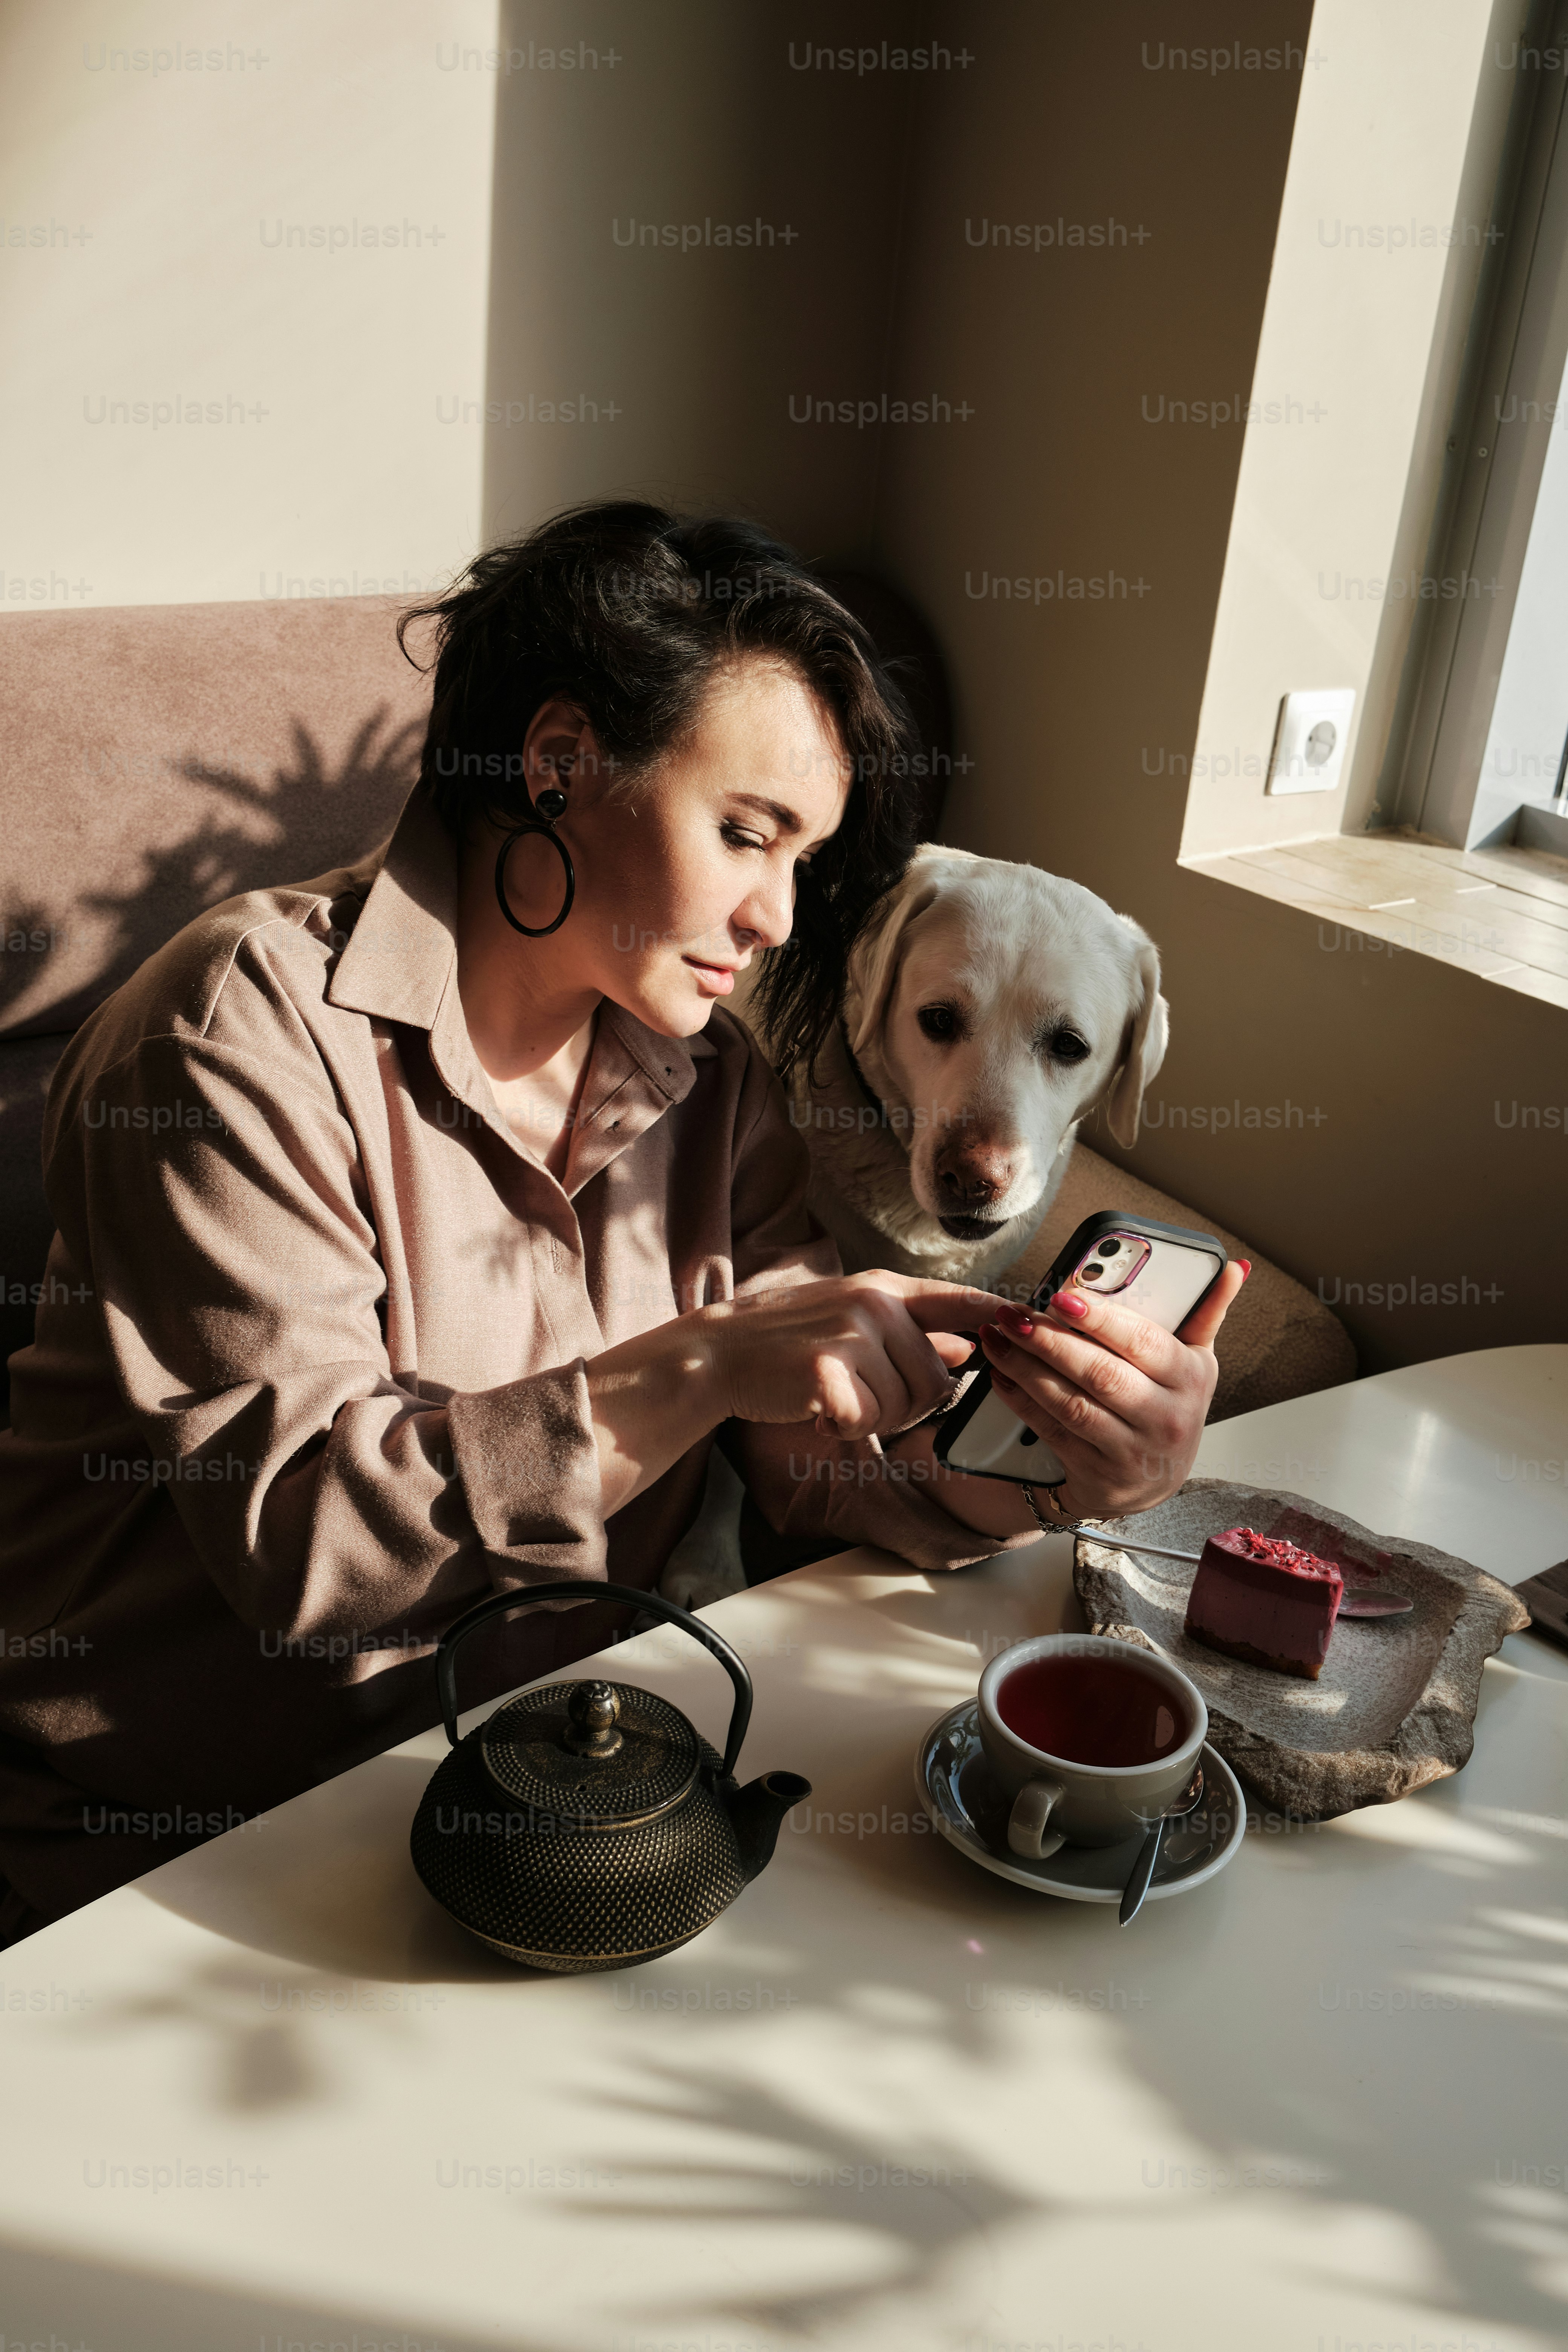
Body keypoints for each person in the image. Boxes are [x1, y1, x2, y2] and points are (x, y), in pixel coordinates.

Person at [0, 502, 1242, 1942]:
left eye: (804, 859)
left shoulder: (714, 1086)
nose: (779, 917)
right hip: (173, 1844)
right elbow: (313, 1544)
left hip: (555, 1804)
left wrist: (1066, 1465)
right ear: (558, 764)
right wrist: (704, 1362)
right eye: (746, 834)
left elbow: (820, 1474)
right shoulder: (231, 1041)